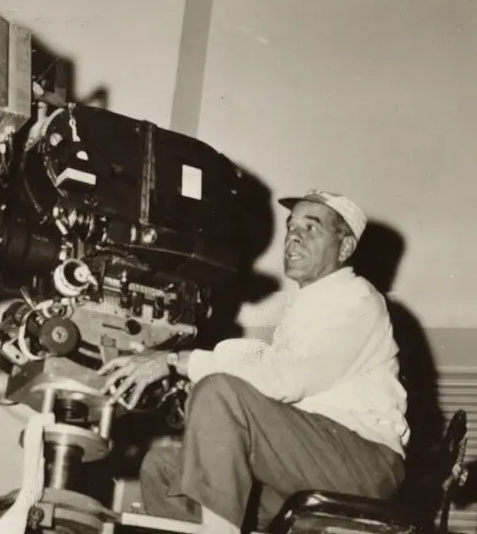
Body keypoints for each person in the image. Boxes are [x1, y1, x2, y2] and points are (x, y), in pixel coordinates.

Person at [99, 189, 410, 534]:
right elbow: (263, 365)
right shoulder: (307, 307)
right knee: (163, 466)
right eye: (291, 227)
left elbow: (284, 380)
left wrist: (176, 361)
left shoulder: (357, 299)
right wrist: (189, 369)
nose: (293, 236)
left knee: (219, 392)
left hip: (360, 462)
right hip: (308, 461)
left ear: (346, 247)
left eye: (311, 228)